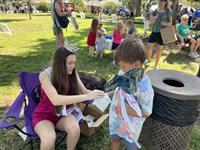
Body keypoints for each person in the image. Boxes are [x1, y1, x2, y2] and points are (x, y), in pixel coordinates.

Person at [32, 46, 105, 150]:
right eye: (69, 63)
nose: (73, 66)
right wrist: (86, 96)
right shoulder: (45, 75)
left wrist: (102, 94)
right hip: (44, 116)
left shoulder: (72, 73)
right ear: (59, 63)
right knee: (49, 139)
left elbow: (85, 91)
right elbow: (55, 99)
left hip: (63, 113)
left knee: (74, 128)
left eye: (74, 63)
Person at [104, 38, 154, 150]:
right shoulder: (123, 73)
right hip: (116, 120)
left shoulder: (144, 89)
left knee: (131, 146)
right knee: (115, 139)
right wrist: (107, 95)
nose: (120, 69)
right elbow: (119, 89)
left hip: (131, 127)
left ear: (136, 65)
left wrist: (125, 110)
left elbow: (146, 112)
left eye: (123, 66)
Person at [146, 0, 172, 69]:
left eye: (164, 1)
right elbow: (150, 24)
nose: (162, 2)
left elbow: (170, 23)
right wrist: (153, 19)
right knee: (148, 47)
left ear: (166, 2)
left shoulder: (168, 11)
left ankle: (156, 65)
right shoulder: (155, 11)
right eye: (161, 0)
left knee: (159, 50)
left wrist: (165, 24)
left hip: (162, 33)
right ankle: (149, 59)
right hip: (154, 32)